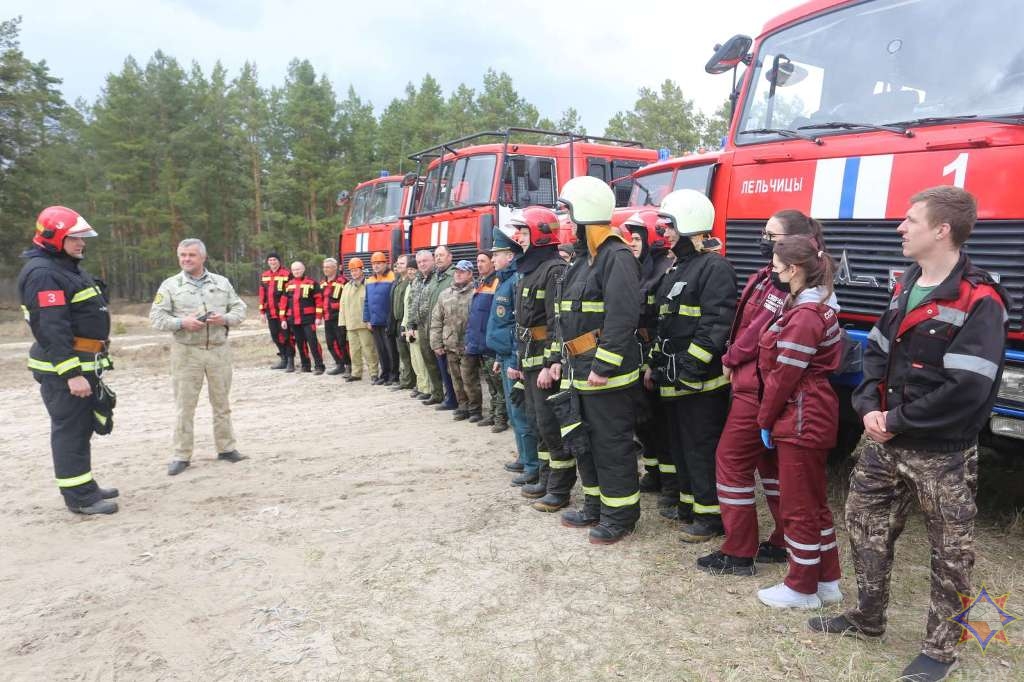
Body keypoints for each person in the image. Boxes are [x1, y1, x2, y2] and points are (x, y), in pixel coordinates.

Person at [811, 186, 1009, 682]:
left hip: (940, 453)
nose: (900, 228)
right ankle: (867, 617)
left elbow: (967, 388)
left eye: (909, 220)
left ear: (942, 230)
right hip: (883, 442)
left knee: (951, 552)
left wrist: (895, 420)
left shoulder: (980, 299)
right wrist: (867, 407)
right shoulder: (909, 283)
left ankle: (940, 652)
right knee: (864, 525)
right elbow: (877, 352)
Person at [701, 210, 824, 576]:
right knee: (768, 466)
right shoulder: (772, 276)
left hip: (755, 387)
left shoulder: (782, 284)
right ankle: (783, 538)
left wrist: (730, 356)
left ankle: (738, 550)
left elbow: (756, 331)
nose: (763, 238)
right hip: (756, 384)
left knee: (731, 461)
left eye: (771, 235)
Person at [753, 235, 843, 608]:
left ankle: (801, 586)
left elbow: (784, 376)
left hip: (801, 414)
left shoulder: (805, 316)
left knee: (798, 506)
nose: (772, 273)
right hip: (810, 411)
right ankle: (826, 580)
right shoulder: (812, 307)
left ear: (793, 269)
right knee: (814, 502)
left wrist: (765, 418)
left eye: (776, 268)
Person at [556, 177, 643, 544]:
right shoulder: (583, 260)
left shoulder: (616, 256)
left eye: (570, 215)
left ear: (586, 215)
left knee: (611, 444)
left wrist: (602, 366)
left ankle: (620, 516)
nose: (566, 223)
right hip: (579, 369)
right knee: (585, 442)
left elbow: (623, 318)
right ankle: (595, 506)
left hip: (605, 375)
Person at [648, 190, 736, 543]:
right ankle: (689, 506)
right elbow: (665, 322)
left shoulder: (715, 267)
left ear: (689, 225)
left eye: (669, 226)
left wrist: (689, 368)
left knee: (700, 448)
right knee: (681, 446)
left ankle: (710, 517)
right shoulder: (678, 268)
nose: (664, 233)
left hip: (700, 384)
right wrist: (655, 365)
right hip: (674, 379)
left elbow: (716, 325)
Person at [18, 206, 118, 515]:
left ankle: (84, 486)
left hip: (84, 362)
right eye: (74, 238)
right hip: (64, 369)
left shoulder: (65, 266)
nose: (81, 244)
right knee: (70, 430)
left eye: (83, 238)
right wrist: (71, 373)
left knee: (82, 426)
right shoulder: (44, 273)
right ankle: (80, 498)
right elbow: (51, 327)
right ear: (53, 237)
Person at [150, 238, 247, 476]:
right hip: (186, 353)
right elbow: (156, 318)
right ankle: (181, 455)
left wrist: (224, 319)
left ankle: (226, 448)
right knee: (185, 407)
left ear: (203, 257)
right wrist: (182, 322)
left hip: (218, 350)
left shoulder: (221, 283)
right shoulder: (171, 285)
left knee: (222, 404)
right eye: (182, 255)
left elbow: (240, 309)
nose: (186, 259)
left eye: (191, 255)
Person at [510, 207, 572, 509]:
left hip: (545, 364)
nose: (517, 237)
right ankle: (547, 478)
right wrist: (522, 364)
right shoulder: (530, 270)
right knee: (537, 423)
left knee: (550, 425)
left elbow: (556, 322)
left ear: (538, 232)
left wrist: (552, 363)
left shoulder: (554, 269)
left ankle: (560, 488)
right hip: (530, 360)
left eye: (522, 231)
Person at [622, 210, 677, 511]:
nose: (631, 243)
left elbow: (663, 321)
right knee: (642, 422)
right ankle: (654, 472)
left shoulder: (665, 269)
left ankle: (671, 485)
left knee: (661, 423)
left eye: (636, 237)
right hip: (635, 352)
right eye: (628, 238)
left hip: (654, 352)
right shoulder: (635, 268)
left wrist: (654, 361)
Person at [486, 225, 541, 480]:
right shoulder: (505, 280)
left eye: (497, 254)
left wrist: (515, 360)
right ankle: (524, 457)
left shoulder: (516, 281)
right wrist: (499, 357)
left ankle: (533, 467)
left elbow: (519, 324)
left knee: (522, 414)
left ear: (510, 255)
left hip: (515, 358)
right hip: (506, 356)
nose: (493, 258)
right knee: (513, 412)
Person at [431, 260, 477, 420]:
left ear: (470, 274)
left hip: (468, 345)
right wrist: (436, 343)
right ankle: (462, 406)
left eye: (462, 272)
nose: (458, 274)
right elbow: (436, 320)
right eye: (456, 271)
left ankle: (475, 409)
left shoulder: (476, 292)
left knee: (469, 379)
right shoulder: (445, 294)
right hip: (450, 344)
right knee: (456, 379)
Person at [466, 251, 507, 428]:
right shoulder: (480, 283)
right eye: (477, 261)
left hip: (491, 343)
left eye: (483, 261)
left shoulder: (497, 282)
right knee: (490, 383)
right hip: (480, 342)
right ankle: (493, 414)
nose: (479, 264)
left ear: (491, 262)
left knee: (498, 384)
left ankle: (501, 418)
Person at [424, 245, 457, 410]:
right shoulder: (436, 277)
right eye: (436, 255)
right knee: (442, 369)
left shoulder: (453, 276)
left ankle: (455, 400)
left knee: (452, 371)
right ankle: (449, 397)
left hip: (448, 331)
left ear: (450, 257)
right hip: (435, 329)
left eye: (441, 255)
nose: (438, 258)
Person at [280, 261, 325, 374]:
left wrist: (318, 317)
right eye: (294, 270)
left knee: (313, 342)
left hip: (308, 319)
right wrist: (283, 319)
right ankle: (306, 366)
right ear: (292, 271)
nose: (296, 271)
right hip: (293, 320)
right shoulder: (288, 285)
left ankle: (319, 366)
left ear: (303, 269)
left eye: (298, 269)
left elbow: (319, 301)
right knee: (300, 343)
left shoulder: (312, 283)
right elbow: (283, 303)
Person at [340, 257, 378, 382]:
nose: (354, 273)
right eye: (352, 271)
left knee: (369, 349)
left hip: (364, 324)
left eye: (356, 270)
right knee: (354, 350)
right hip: (351, 325)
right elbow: (343, 306)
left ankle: (374, 373)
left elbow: (373, 304)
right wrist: (343, 323)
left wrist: (371, 321)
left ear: (362, 270)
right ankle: (356, 373)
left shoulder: (368, 284)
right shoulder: (347, 286)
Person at [404, 250, 435, 400]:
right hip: (418, 327)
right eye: (420, 262)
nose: (422, 264)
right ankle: (430, 390)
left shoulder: (436, 278)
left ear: (432, 260)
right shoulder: (417, 280)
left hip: (432, 326)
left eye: (425, 261)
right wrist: (410, 326)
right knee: (423, 361)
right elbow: (411, 305)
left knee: (433, 363)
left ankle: (434, 391)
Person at [365, 251, 397, 385]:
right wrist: (367, 319)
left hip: (387, 321)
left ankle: (394, 376)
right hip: (375, 321)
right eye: (374, 263)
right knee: (381, 350)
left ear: (385, 264)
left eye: (379, 263)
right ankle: (384, 374)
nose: (376, 266)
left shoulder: (392, 277)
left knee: (391, 350)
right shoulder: (369, 280)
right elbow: (366, 301)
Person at [258, 252, 293, 370]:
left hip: (283, 311)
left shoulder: (287, 274)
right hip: (270, 311)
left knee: (286, 335)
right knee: (275, 336)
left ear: (279, 261)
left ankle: (290, 360)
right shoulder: (265, 275)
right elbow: (262, 294)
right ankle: (283, 358)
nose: (273, 262)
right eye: (270, 260)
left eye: (275, 260)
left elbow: (288, 293)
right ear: (267, 262)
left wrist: (286, 310)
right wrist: (262, 312)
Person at [390, 254, 417, 391]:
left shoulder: (410, 282)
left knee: (411, 353)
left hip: (407, 321)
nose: (399, 265)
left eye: (402, 263)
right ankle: (406, 380)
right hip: (398, 321)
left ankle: (412, 381)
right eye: (398, 263)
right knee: (403, 354)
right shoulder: (399, 281)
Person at [320, 258, 350, 376]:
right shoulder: (322, 283)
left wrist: (333, 306)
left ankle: (349, 365)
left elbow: (347, 300)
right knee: (330, 343)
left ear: (335, 268)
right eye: (324, 267)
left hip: (339, 318)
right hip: (327, 318)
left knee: (342, 342)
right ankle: (339, 364)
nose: (325, 269)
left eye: (328, 267)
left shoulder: (343, 282)